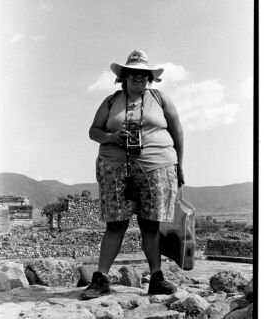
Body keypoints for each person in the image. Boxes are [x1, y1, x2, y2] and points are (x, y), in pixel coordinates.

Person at [81, 50, 184, 300]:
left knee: (151, 224)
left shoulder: (160, 99)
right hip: (115, 168)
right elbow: (93, 131)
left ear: (150, 79)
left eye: (144, 75)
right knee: (115, 224)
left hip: (156, 167)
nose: (139, 78)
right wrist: (110, 137)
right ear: (124, 77)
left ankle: (156, 278)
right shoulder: (110, 102)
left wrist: (180, 165)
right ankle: (101, 279)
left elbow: (177, 130)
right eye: (134, 74)